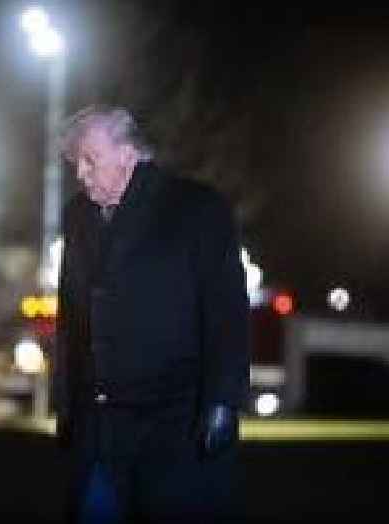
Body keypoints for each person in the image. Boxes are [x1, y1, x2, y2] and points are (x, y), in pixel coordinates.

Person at [52, 105, 250, 523]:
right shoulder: (77, 217)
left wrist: (222, 401)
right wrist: (66, 402)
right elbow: (70, 317)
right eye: (76, 163)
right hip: (98, 429)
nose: (81, 174)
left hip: (174, 427)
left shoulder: (197, 209)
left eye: (90, 160)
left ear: (128, 154)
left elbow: (226, 312)